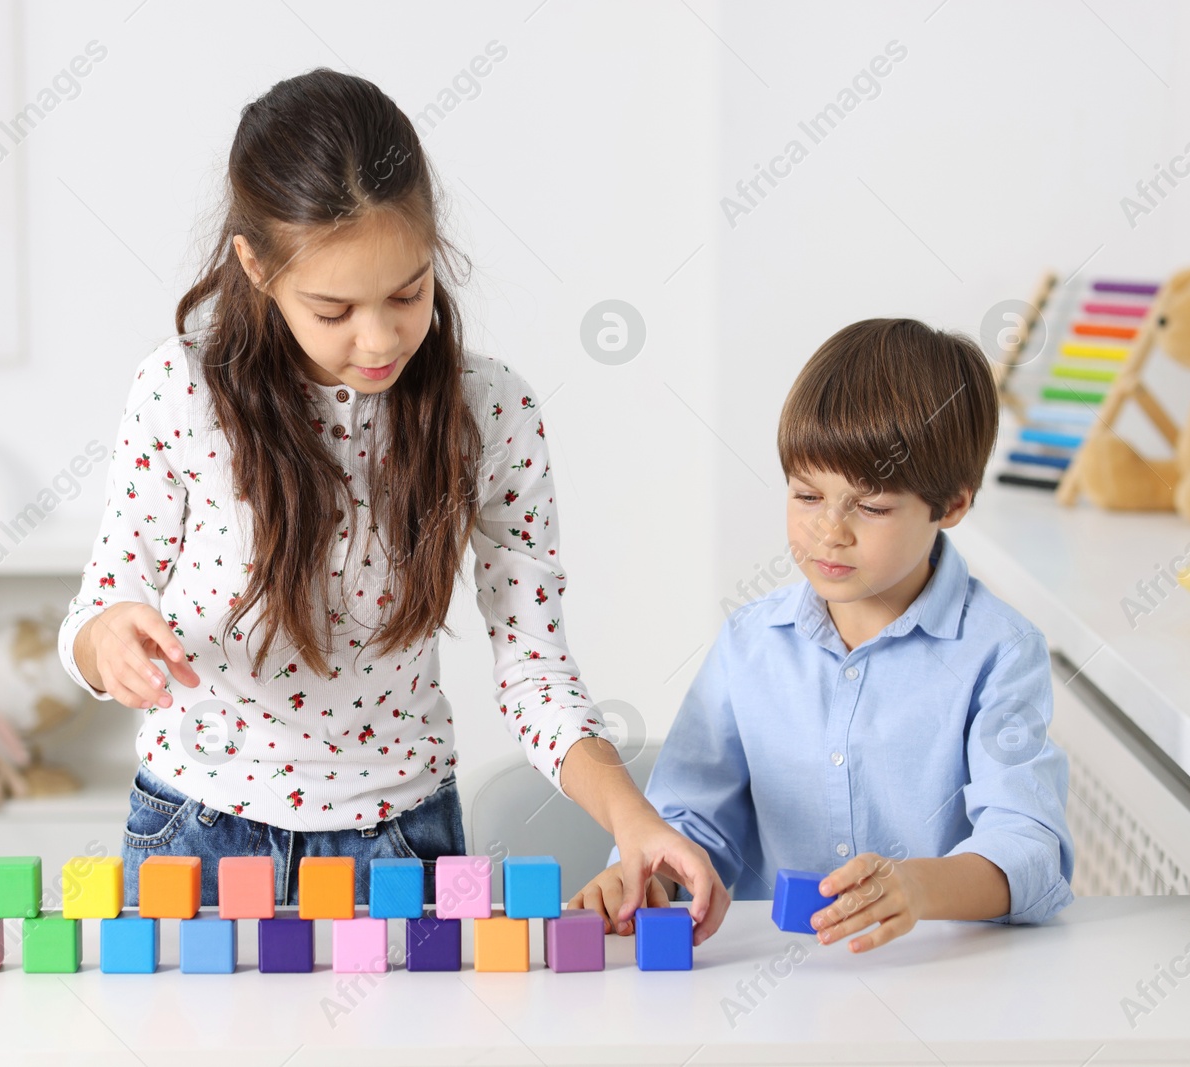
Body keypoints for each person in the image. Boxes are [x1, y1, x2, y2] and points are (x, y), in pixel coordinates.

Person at [57, 68, 724, 938]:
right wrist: (104, 641)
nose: (379, 340)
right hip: (198, 835)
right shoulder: (181, 391)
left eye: (408, 293)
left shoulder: (490, 414)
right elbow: (100, 602)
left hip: (402, 847)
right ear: (255, 266)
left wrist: (630, 816)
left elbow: (534, 666)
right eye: (333, 308)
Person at [572, 318, 1075, 951]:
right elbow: (694, 819)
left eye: (871, 507)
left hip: (942, 978)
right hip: (776, 982)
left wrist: (920, 888)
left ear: (950, 506)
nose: (829, 532)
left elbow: (1029, 848)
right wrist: (648, 876)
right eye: (807, 495)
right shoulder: (750, 642)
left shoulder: (999, 651)